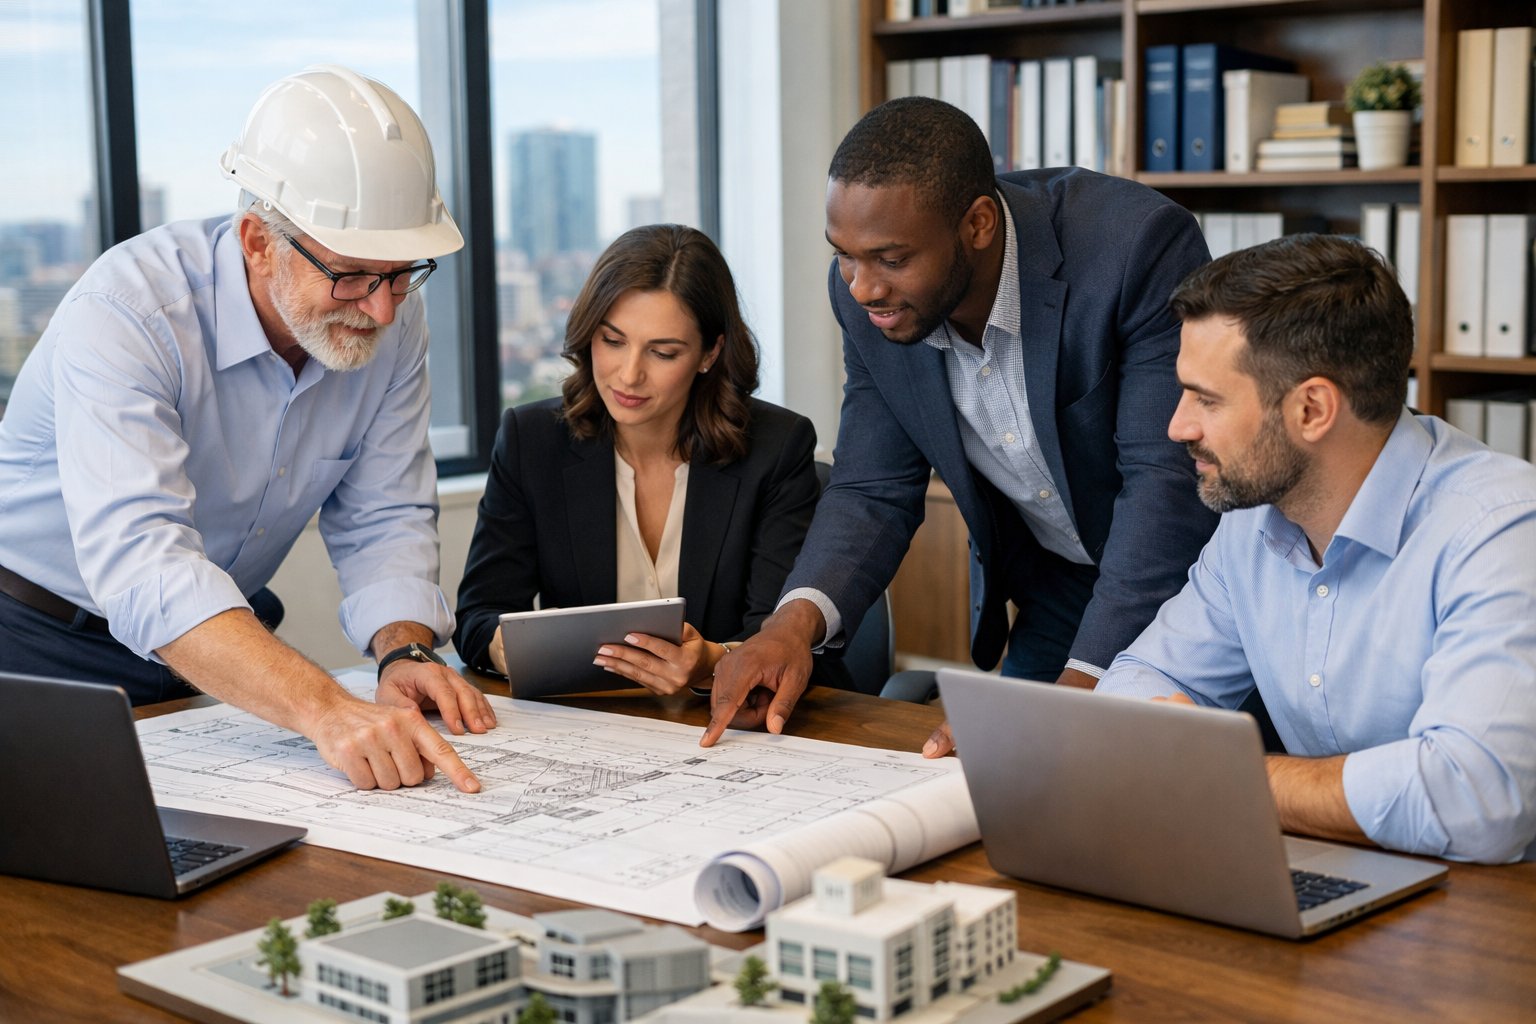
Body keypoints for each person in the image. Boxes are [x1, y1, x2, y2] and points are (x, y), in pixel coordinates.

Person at [0, 65, 495, 793]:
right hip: (34, 643)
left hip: (217, 642)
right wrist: (326, 708)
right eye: (353, 274)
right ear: (259, 241)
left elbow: (382, 513)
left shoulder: (390, 314)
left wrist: (403, 652)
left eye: (400, 274)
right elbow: (146, 567)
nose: (382, 310)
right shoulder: (128, 313)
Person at [703, 96, 1217, 753]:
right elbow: (871, 487)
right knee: (993, 784)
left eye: (891, 259)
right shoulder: (868, 299)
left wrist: (1084, 692)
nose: (862, 288)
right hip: (1056, 586)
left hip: (1191, 586)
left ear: (976, 224)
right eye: (844, 256)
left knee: (1150, 791)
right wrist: (789, 625)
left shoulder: (1131, 248)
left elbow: (1164, 492)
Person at [1098, 233, 1536, 864]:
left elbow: (1473, 800)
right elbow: (1145, 679)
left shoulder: (1498, 529)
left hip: (1488, 916)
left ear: (1311, 409)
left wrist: (1221, 772)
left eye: (1207, 399)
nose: (1178, 426)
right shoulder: (1253, 523)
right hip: (1332, 870)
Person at [454, 224, 843, 695]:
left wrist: (712, 663)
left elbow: (779, 634)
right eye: (612, 341)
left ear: (709, 353)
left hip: (733, 725)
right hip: (592, 728)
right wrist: (514, 648)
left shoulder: (776, 448)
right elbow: (477, 617)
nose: (629, 374)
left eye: (662, 352)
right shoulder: (531, 440)